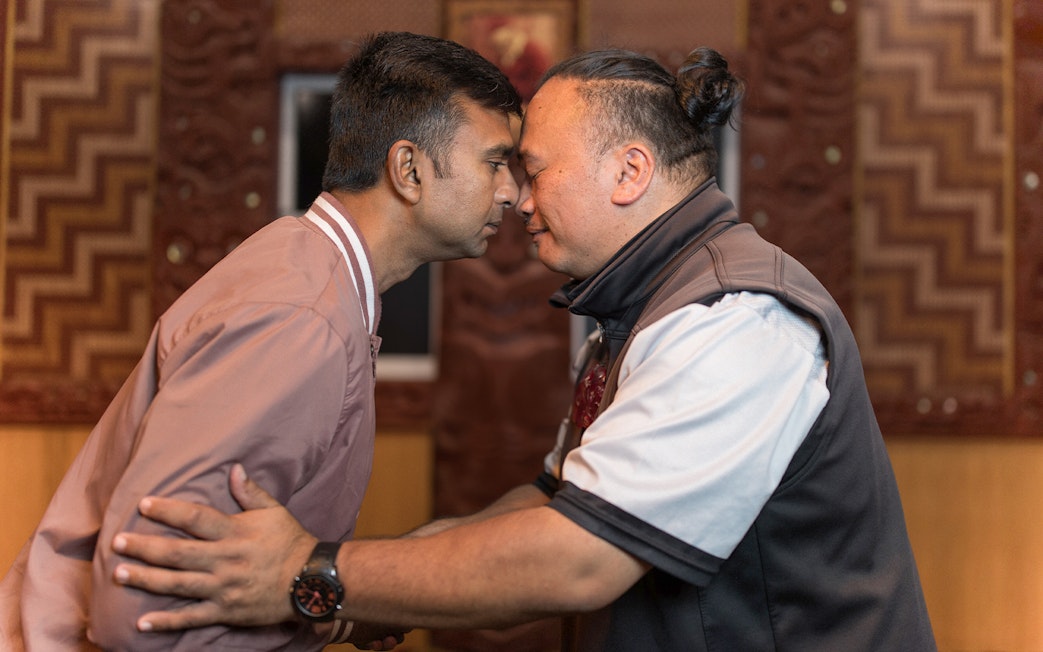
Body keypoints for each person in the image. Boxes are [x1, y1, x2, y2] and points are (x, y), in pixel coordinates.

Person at [105, 46, 938, 650]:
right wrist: (368, 589)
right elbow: (552, 507)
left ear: (628, 172)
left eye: (533, 169)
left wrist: (315, 573)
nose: (515, 197)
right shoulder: (643, 306)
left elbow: (575, 561)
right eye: (505, 168)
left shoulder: (736, 319)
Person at [0, 31, 522, 651]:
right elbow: (141, 608)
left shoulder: (307, 267)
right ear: (408, 169)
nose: (513, 192)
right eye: (495, 162)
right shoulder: (301, 317)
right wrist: (338, 603)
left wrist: (344, 602)